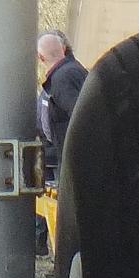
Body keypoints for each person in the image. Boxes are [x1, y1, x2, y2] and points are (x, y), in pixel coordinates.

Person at [36, 31, 88, 182]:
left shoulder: (62, 78)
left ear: (41, 58)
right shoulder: (72, 71)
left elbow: (79, 115)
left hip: (72, 156)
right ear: (63, 49)